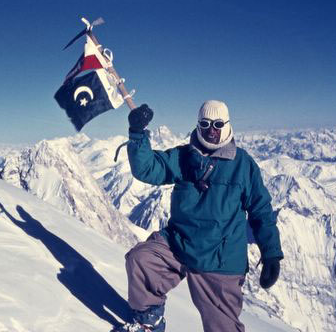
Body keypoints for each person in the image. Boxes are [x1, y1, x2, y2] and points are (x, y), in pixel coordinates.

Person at [115, 100, 283, 332]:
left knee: (222, 327)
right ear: (198, 125)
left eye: (217, 124)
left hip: (219, 258)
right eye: (205, 124)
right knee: (142, 260)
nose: (211, 130)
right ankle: (148, 320)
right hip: (179, 243)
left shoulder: (243, 164)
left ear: (227, 125)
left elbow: (260, 211)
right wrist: (137, 133)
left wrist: (271, 252)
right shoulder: (183, 156)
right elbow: (148, 168)